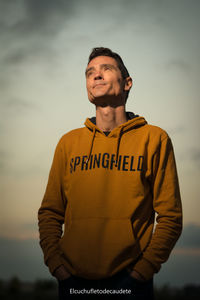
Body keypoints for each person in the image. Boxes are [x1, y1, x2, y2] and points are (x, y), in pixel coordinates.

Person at [38, 47, 182, 299]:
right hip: (72, 280)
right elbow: (50, 211)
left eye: (106, 69)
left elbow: (170, 216)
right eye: (90, 72)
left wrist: (142, 271)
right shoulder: (68, 143)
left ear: (127, 83)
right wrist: (57, 266)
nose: (96, 75)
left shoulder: (154, 139)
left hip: (130, 281)